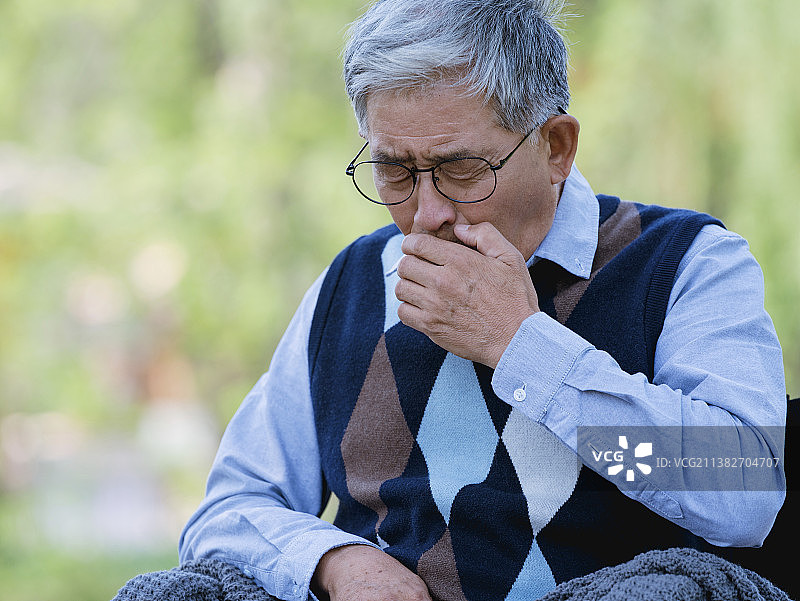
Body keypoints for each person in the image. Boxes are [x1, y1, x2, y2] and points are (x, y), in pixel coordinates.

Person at [179, 2, 787, 600]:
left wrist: (520, 344)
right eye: (394, 170)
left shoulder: (686, 261)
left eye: (461, 169)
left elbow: (746, 497)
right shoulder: (353, 280)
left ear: (556, 146)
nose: (426, 214)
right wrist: (333, 562)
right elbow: (228, 510)